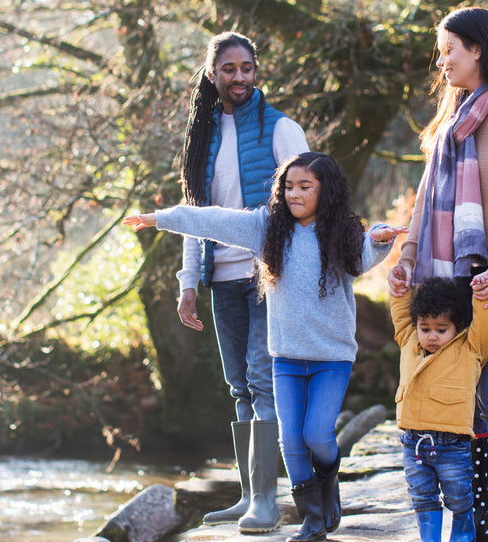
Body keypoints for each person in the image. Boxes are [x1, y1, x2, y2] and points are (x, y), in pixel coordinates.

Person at [126, 152, 405, 542]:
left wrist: (377, 239)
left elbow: (361, 258)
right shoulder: (266, 229)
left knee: (317, 437)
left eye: (305, 187)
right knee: (289, 440)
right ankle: (311, 521)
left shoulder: (340, 233)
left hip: (331, 358)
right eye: (288, 186)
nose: (294, 194)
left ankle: (328, 480)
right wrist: (160, 219)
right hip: (286, 358)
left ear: (326, 191)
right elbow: (211, 219)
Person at [388, 7, 488, 542]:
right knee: (466, 393)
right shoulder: (449, 120)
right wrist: (409, 257)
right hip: (453, 277)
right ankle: (474, 522)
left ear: (477, 49)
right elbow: (423, 204)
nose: (442, 62)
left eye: (448, 50)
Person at [176, 31, 310, 533]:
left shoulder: (282, 130)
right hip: (221, 280)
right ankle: (249, 494)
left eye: (247, 68)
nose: (239, 77)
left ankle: (267, 503)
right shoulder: (201, 138)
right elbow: (195, 217)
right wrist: (189, 281)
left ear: (257, 71)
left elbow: (311, 201)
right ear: (212, 75)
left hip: (267, 278)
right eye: (228, 69)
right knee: (238, 387)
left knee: (260, 380)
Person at [389, 276, 488, 542]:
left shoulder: (470, 347)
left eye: (441, 329)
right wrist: (399, 289)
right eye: (425, 328)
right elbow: (401, 315)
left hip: (452, 446)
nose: (432, 336)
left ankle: (462, 535)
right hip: (413, 444)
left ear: (457, 327)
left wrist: (483, 295)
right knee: (421, 496)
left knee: (459, 496)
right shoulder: (409, 341)